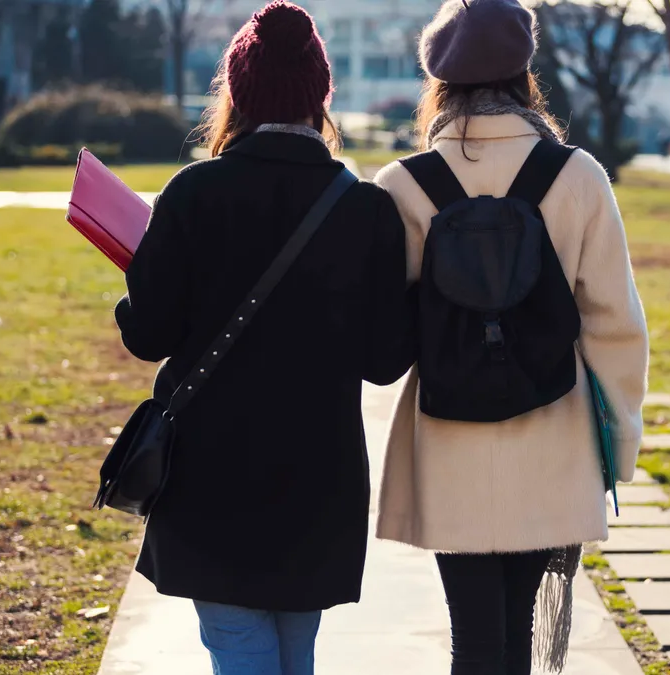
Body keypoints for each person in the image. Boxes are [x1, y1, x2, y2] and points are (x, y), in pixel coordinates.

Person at [113, 3, 415, 674]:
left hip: (211, 470)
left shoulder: (193, 193)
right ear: (320, 96)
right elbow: (385, 360)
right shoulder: (365, 207)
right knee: (292, 648)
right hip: (318, 472)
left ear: (238, 94)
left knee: (239, 645)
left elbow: (149, 333)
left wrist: (131, 279)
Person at [374, 1, 650, 673]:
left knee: (472, 633)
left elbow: (386, 330)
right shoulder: (578, 176)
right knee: (517, 629)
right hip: (550, 432)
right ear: (526, 74)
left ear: (438, 79)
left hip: (448, 441)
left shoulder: (401, 186)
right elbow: (615, 324)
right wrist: (617, 448)